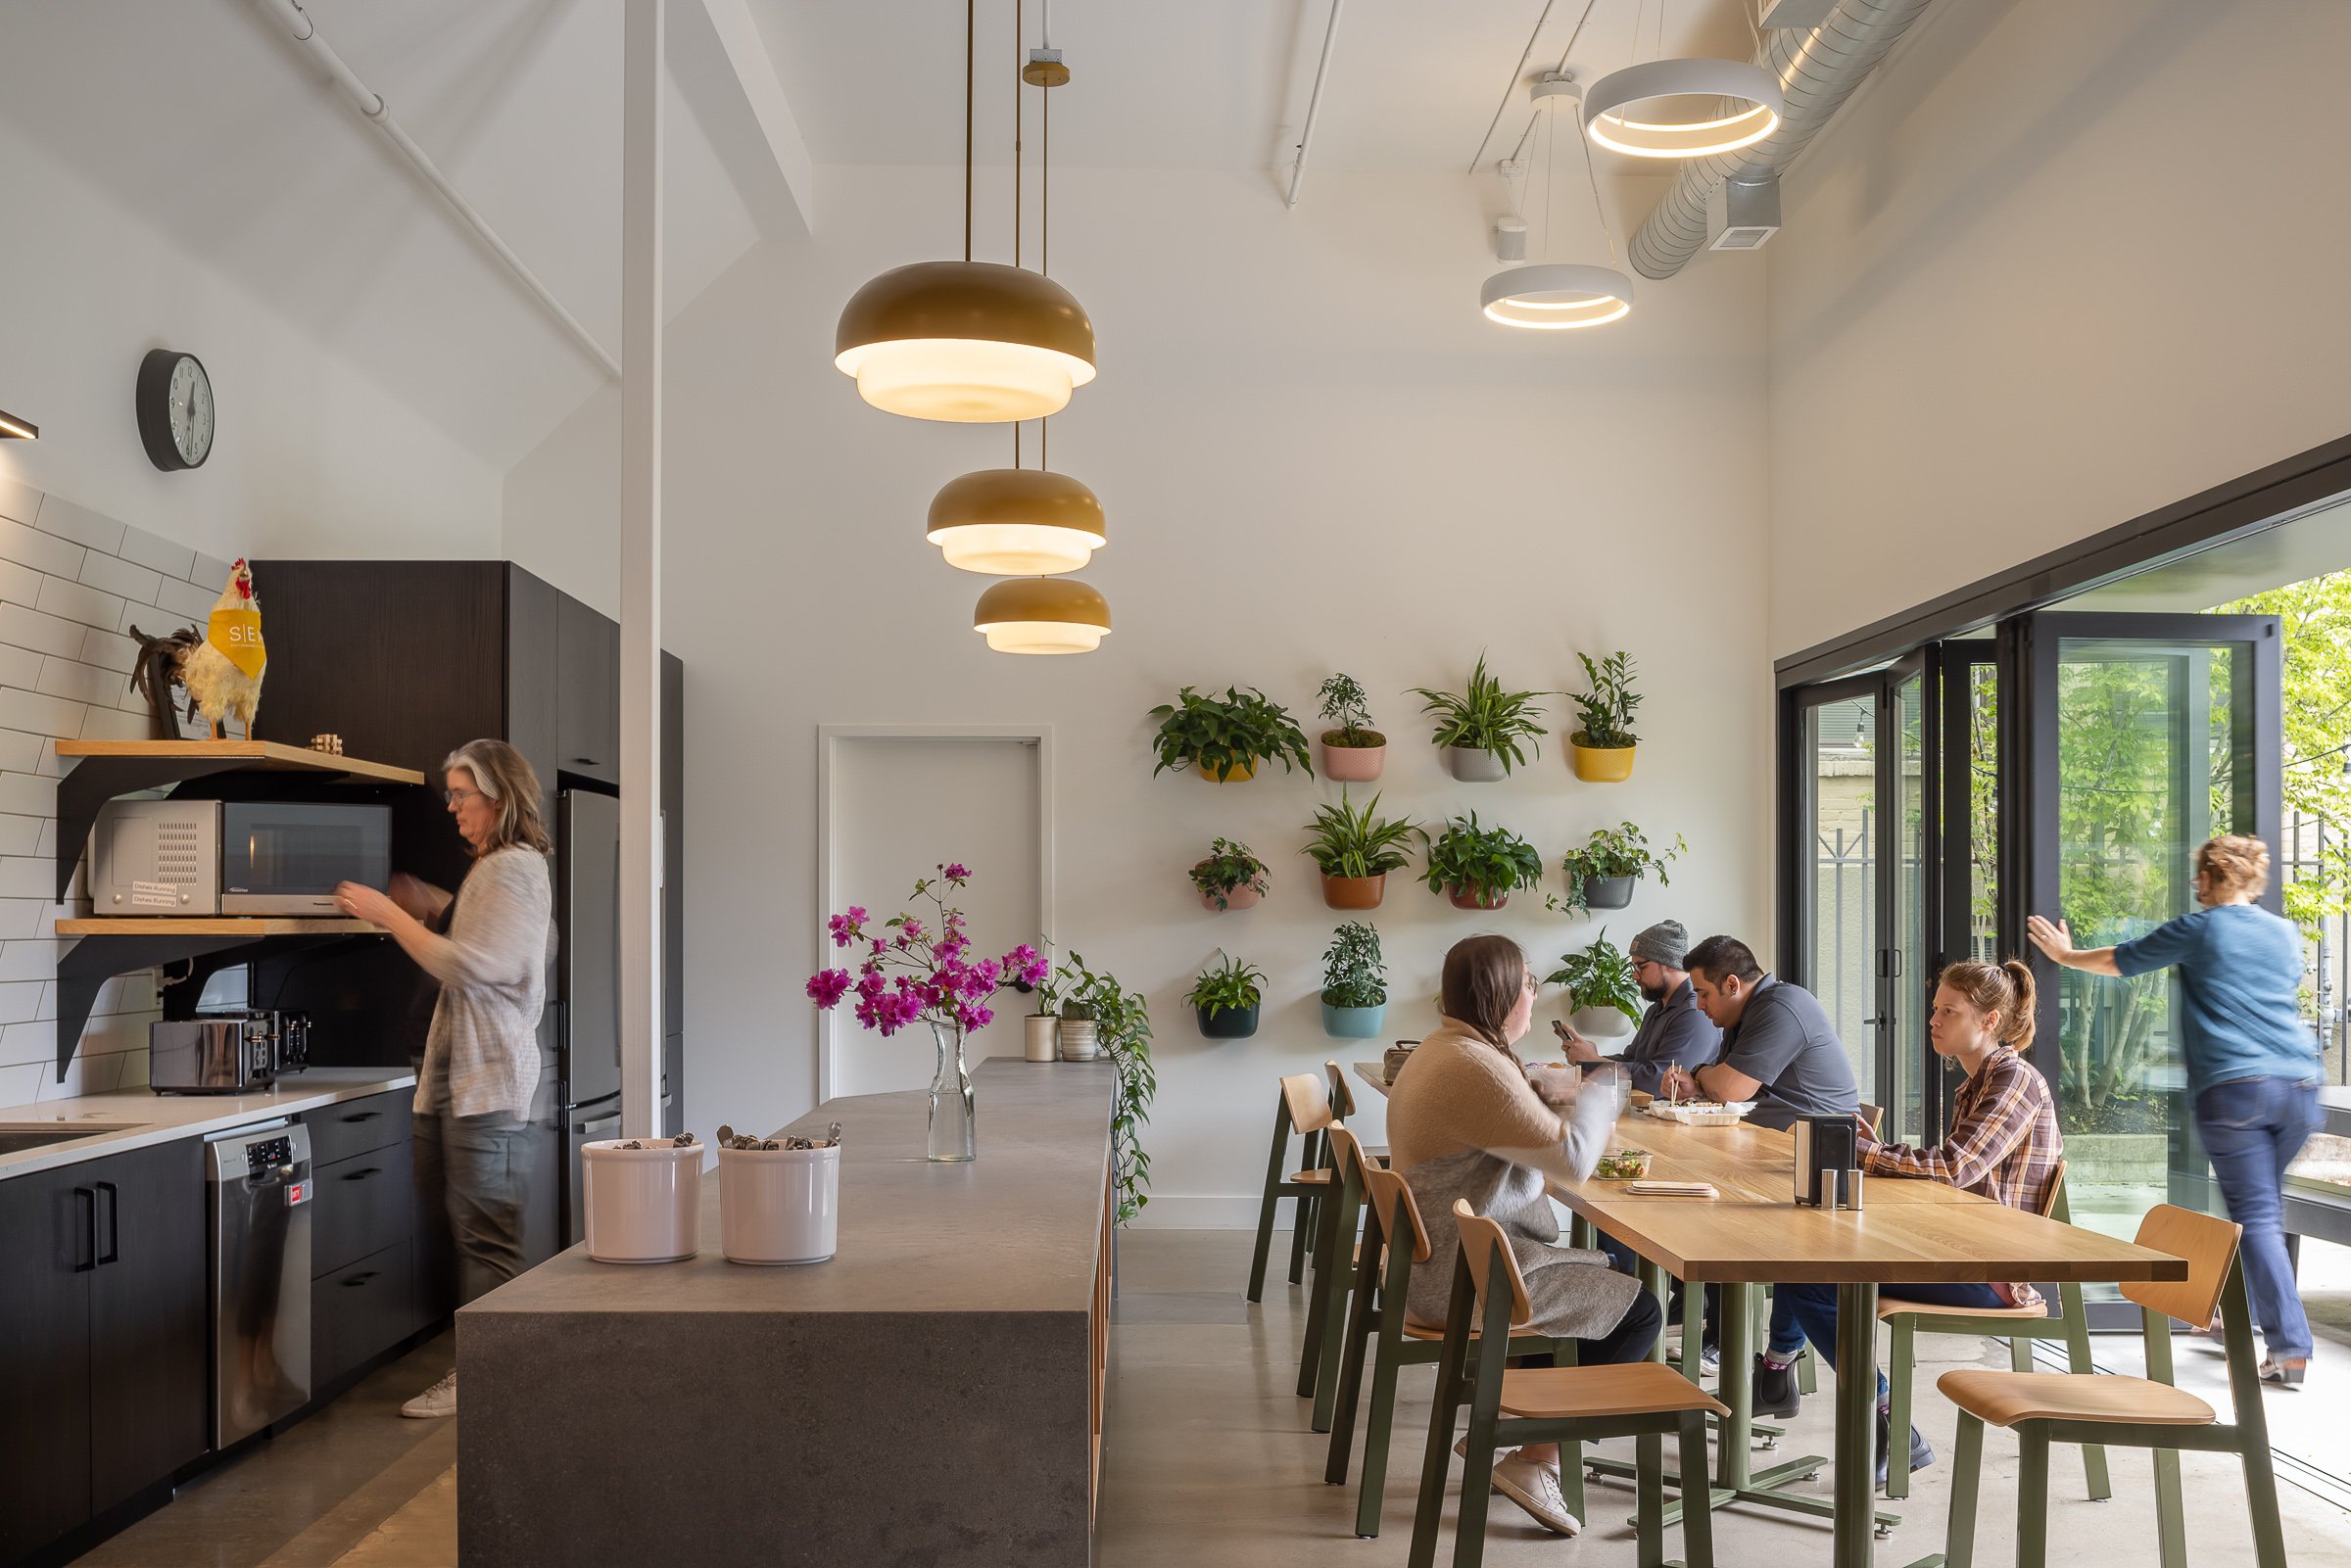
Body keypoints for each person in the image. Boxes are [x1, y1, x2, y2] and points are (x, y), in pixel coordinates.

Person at [2029, 833, 2325, 1387]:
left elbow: (2123, 961)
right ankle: (2249, 1316)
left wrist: (2065, 956)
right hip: (2301, 1087)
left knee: (2256, 1214)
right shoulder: (2285, 935)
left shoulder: (2202, 929)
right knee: (2258, 1210)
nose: (2195, 885)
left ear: (2215, 877)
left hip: (2237, 1089)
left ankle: (2290, 1346)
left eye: (2200, 876)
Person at [1386, 934, 1655, 1539]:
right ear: (1503, 995)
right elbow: (1574, 1160)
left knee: (1609, 1267)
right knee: (1638, 1310)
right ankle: (1534, 1458)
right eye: (1529, 983)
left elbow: (1508, 1116)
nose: (1535, 994)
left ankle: (1523, 1431)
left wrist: (1544, 1089)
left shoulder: (1450, 1048)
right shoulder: (1474, 1066)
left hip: (1446, 1260)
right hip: (1467, 1278)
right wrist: (1601, 1084)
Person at [1760, 960, 2062, 1486]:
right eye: (1935, 1008)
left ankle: (1878, 1415)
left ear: (1990, 1021)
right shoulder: (1976, 1084)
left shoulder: (2013, 1080)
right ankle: (1775, 1373)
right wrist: (1871, 1153)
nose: (1935, 1019)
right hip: (1955, 1247)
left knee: (1810, 1271)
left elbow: (1954, 1167)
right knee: (1800, 1250)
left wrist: (1870, 1153)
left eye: (1951, 1011)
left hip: (1987, 1270)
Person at [336, 739, 555, 1420]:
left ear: (500, 796)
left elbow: (472, 965)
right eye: (451, 794)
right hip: (461, 1077)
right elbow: (501, 944)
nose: (453, 806)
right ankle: (496, 1362)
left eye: (463, 794)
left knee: (486, 1232)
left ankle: (488, 1377)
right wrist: (433, 904)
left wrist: (391, 914)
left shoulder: (512, 868)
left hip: (488, 1081)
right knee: (462, 1216)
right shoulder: (495, 869)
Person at [1658, 934, 1859, 1131]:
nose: (1700, 1005)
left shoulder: (1782, 1006)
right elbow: (1722, 1088)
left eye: (1703, 994)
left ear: (1732, 985)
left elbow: (1729, 1089)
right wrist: (1696, 1089)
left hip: (1823, 1146)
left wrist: (1699, 1073)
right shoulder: (1738, 1016)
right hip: (1772, 1140)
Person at [1553, 919, 1722, 1096]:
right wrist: (1588, 1056)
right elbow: (1632, 1060)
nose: (1634, 975)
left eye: (1640, 967)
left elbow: (1658, 1081)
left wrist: (1595, 1062)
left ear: (1667, 964)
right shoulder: (1656, 1009)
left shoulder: (1694, 1013)